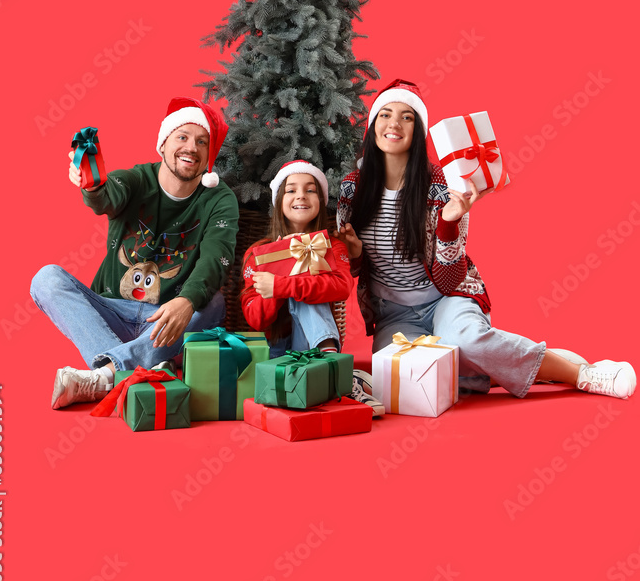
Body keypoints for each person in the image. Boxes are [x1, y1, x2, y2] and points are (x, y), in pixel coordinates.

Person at [337, 78, 636, 400]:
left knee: (469, 342)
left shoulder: (443, 183)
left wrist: (449, 224)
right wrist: (355, 253)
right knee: (405, 377)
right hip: (392, 311)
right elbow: (354, 270)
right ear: (372, 124)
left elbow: (450, 277)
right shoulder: (352, 189)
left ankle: (582, 374)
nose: (394, 123)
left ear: (418, 131)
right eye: (385, 114)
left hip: (446, 298)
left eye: (407, 117)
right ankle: (519, 364)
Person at [31, 97, 239, 409]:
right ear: (164, 142)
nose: (191, 148)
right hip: (113, 310)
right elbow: (108, 196)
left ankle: (103, 377)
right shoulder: (136, 179)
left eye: (201, 141)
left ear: (209, 154)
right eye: (182, 137)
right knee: (46, 279)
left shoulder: (219, 199)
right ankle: (136, 369)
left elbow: (216, 257)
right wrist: (92, 186)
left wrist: (187, 300)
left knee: (212, 301)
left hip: (169, 319)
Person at [240, 161, 352, 357]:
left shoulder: (332, 246)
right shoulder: (258, 251)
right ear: (279, 200)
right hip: (270, 347)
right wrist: (280, 265)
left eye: (310, 190)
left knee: (306, 278)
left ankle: (325, 350)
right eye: (291, 190)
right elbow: (255, 318)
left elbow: (343, 286)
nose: (301, 195)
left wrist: (283, 283)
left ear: (320, 200)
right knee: (301, 276)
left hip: (311, 344)